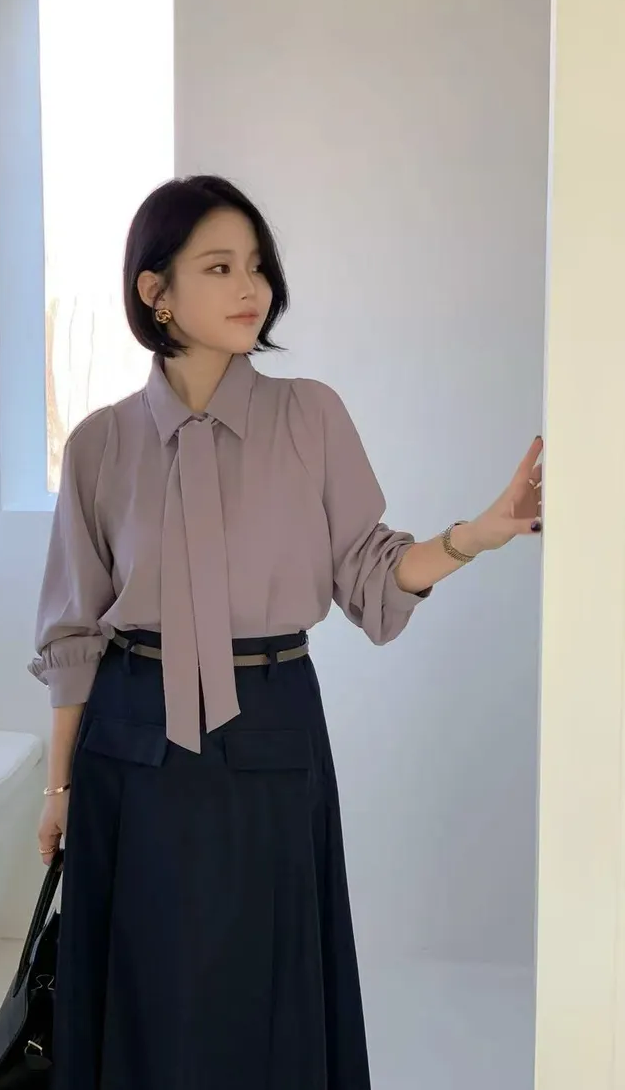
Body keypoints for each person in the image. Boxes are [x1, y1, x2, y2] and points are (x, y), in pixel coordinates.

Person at [30, 175, 543, 1090]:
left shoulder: (310, 414)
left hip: (269, 723)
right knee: (141, 989)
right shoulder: (100, 445)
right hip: (130, 742)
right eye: (219, 267)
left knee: (264, 990)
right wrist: (60, 786)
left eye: (257, 266)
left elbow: (370, 571)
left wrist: (476, 534)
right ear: (155, 291)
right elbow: (73, 633)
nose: (251, 288)